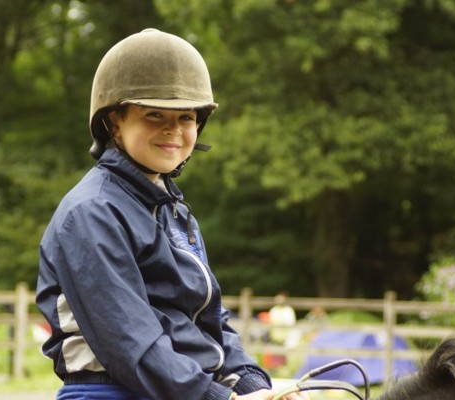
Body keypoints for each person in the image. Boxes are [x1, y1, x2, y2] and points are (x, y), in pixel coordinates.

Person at [36, 28, 308, 400]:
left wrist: (252, 384)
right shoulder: (92, 213)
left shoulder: (173, 212)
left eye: (186, 117)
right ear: (115, 122)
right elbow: (131, 343)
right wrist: (218, 398)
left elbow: (211, 321)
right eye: (154, 114)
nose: (174, 130)